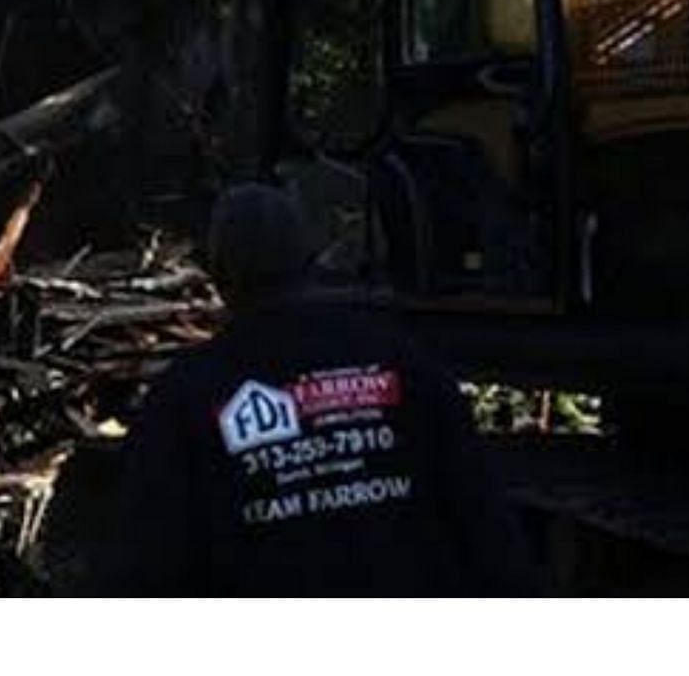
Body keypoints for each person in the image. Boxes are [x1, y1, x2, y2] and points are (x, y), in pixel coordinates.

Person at [96, 182, 542, 596]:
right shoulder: (403, 363)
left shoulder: (186, 397)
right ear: (311, 261)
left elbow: (145, 565)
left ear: (218, 276)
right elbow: (486, 528)